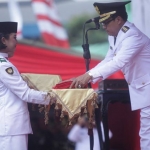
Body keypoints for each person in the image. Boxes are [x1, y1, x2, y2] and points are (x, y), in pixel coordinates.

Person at [70, 1, 150, 150]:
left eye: (106, 22)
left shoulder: (132, 37)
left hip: (147, 89)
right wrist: (87, 75)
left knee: (147, 135)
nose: (104, 26)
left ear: (118, 20)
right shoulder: (115, 36)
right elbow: (109, 59)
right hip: (143, 89)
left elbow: (118, 62)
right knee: (146, 134)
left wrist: (89, 75)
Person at [0, 22, 56, 150]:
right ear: (3, 40)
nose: (16, 42)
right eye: (14, 37)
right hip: (11, 128)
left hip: (9, 127)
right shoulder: (4, 65)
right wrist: (55, 97)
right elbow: (26, 94)